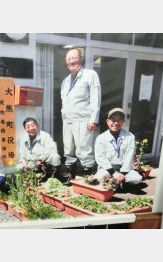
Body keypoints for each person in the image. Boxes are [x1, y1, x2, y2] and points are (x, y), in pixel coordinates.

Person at [61, 47, 101, 181]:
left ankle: (88, 179)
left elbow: (96, 98)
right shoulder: (65, 81)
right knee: (68, 150)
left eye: (74, 58)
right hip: (68, 121)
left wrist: (93, 120)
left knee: (84, 151)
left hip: (84, 121)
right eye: (68, 59)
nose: (71, 61)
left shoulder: (90, 75)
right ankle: (71, 177)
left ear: (81, 59)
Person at [94, 108, 142, 189]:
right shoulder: (101, 138)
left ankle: (115, 182)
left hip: (123, 169)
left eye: (119, 120)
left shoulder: (130, 136)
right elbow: (100, 157)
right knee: (99, 177)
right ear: (107, 121)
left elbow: (129, 156)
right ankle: (116, 182)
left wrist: (122, 173)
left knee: (137, 178)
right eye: (113, 120)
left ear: (123, 121)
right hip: (108, 169)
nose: (116, 123)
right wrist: (113, 173)